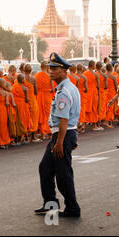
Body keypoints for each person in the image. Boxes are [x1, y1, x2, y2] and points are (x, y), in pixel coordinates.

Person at [36, 52, 81, 218]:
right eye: (50, 67)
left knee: (63, 174)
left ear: (64, 71)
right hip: (64, 134)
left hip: (63, 134)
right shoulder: (69, 87)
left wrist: (60, 142)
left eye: (54, 68)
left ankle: (72, 208)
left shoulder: (63, 91)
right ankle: (51, 204)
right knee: (45, 169)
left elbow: (64, 119)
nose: (50, 71)